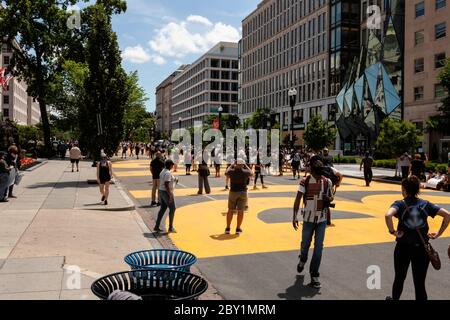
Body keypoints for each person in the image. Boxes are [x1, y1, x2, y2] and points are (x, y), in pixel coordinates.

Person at [385, 176, 450, 300]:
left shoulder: (400, 204)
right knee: (419, 284)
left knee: (399, 278)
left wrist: (393, 231)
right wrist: (438, 234)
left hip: (403, 248)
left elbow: (388, 215)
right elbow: (447, 215)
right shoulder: (425, 204)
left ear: (404, 189)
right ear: (417, 189)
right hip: (421, 248)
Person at [293, 157, 334, 289]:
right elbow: (298, 199)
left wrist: (329, 198)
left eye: (318, 172)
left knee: (318, 247)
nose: (317, 175)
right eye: (316, 172)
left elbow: (331, 196)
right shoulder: (304, 181)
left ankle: (314, 274)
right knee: (305, 245)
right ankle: (303, 259)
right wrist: (294, 216)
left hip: (321, 220)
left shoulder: (327, 182)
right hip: (308, 219)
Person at [225, 159, 253, 235]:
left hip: (233, 192)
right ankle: (238, 228)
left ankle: (227, 228)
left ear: (235, 164)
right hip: (243, 192)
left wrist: (231, 165)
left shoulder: (231, 171)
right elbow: (251, 172)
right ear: (242, 164)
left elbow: (226, 172)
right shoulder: (245, 172)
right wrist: (246, 165)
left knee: (230, 210)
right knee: (241, 211)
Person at [154, 159, 178, 233]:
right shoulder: (167, 173)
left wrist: (174, 180)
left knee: (163, 208)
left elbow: (166, 182)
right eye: (172, 165)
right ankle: (170, 227)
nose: (173, 166)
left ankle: (157, 226)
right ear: (170, 165)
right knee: (173, 208)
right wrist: (170, 195)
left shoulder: (163, 171)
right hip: (165, 192)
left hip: (161, 191)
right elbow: (166, 184)